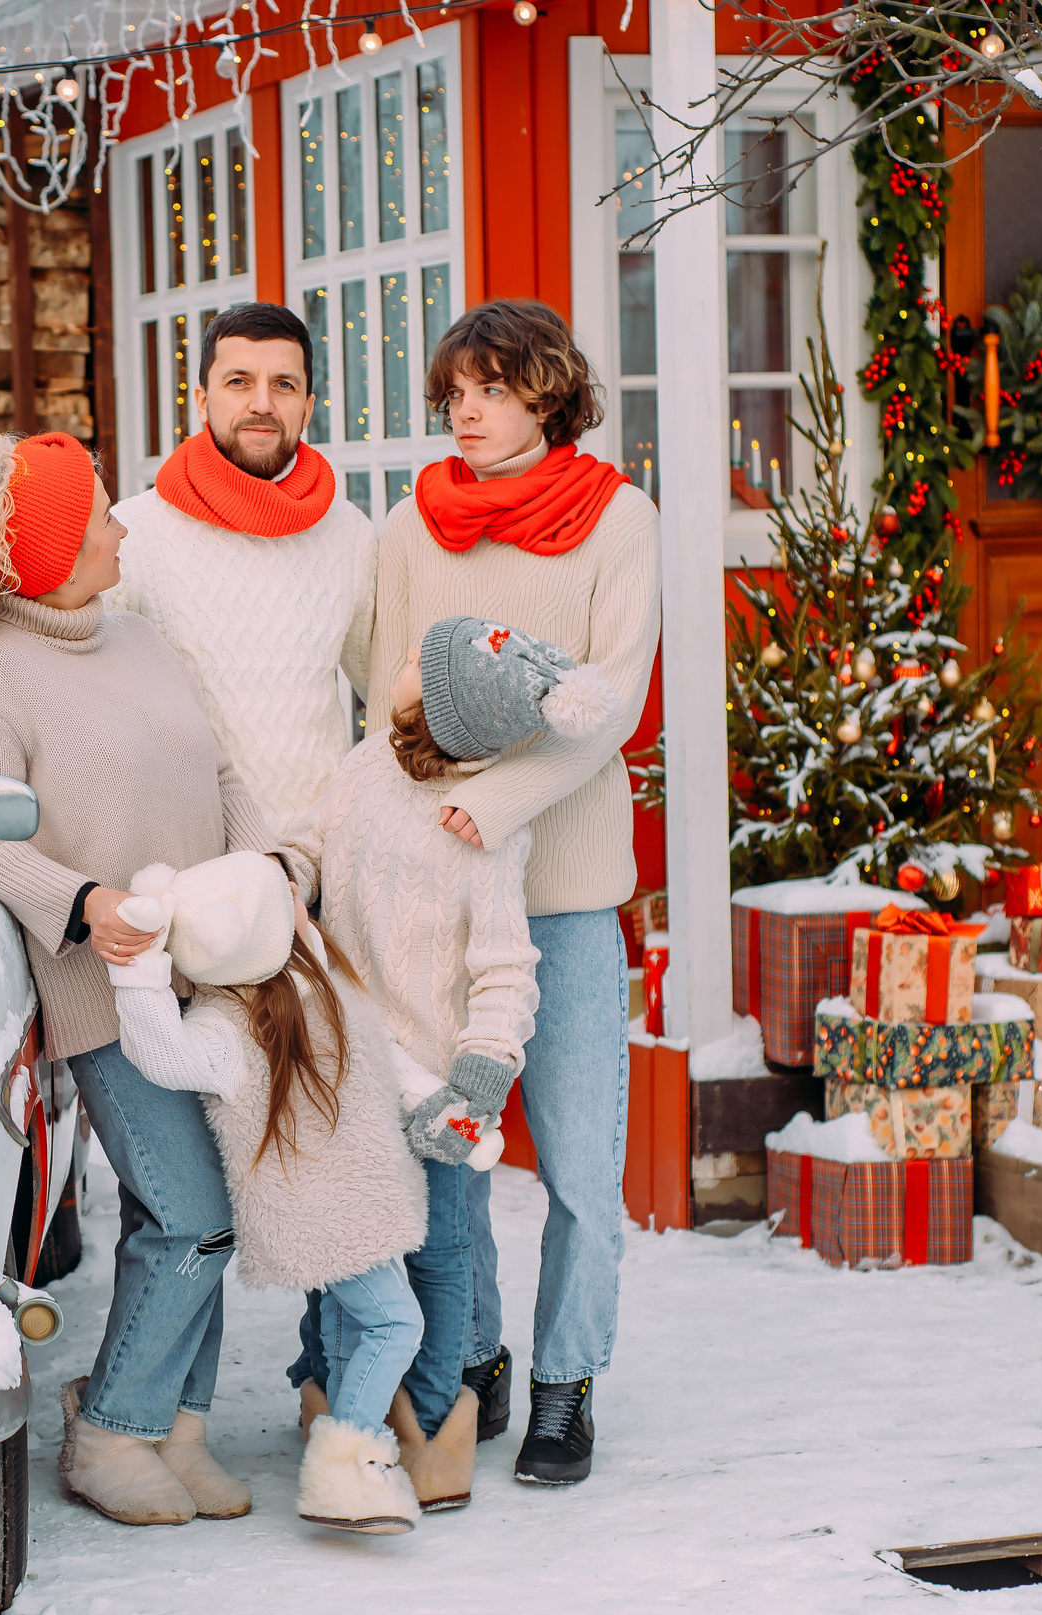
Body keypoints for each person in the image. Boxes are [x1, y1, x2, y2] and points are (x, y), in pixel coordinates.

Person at [0, 431, 277, 1527]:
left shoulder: (139, 640)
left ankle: (181, 1425)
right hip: (107, 985)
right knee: (191, 1214)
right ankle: (113, 1424)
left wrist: (271, 868)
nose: (121, 529)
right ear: (54, 544)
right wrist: (85, 903)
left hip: (214, 965)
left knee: (216, 1208)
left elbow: (218, 772)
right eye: (104, 516)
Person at [365, 300, 660, 1487]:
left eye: (489, 387)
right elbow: (393, 696)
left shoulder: (617, 518)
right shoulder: (408, 527)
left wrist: (498, 803)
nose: (466, 410)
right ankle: (474, 1353)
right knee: (451, 1149)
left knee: (583, 1165)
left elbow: (612, 703)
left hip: (570, 890)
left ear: (547, 390)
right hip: (438, 886)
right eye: (453, 393)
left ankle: (563, 1383)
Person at [282, 617, 622, 1509]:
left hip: (430, 1084)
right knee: (343, 1242)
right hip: (346, 1067)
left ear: (437, 707)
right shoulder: (363, 771)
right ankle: (329, 1393)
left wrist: (476, 1081)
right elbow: (315, 839)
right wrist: (286, 871)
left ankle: (430, 1426)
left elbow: (507, 969)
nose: (395, 665)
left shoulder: (484, 830)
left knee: (437, 1251)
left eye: (412, 666)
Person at [106, 852, 425, 1535]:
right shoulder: (228, 1026)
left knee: (371, 1326)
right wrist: (137, 970)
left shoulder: (312, 981)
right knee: (395, 1323)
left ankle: (347, 1457)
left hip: (356, 1199)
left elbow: (382, 1055)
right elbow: (162, 1054)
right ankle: (346, 1470)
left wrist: (444, 1110)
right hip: (323, 1212)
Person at [107, 302, 377, 825]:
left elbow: (386, 690)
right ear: (203, 403)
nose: (262, 403)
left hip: (323, 851)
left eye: (283, 385)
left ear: (308, 406)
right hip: (191, 855)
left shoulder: (348, 533)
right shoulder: (132, 532)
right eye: (239, 381)